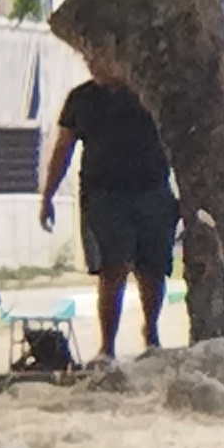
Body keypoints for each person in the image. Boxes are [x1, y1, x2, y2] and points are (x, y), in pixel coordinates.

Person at [35, 60, 175, 359]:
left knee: (153, 269)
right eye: (90, 59)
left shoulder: (148, 93)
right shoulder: (81, 98)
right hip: (103, 195)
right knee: (112, 268)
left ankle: (151, 334)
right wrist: (47, 196)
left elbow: (178, 140)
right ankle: (107, 347)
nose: (95, 64)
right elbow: (63, 148)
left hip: (152, 190)